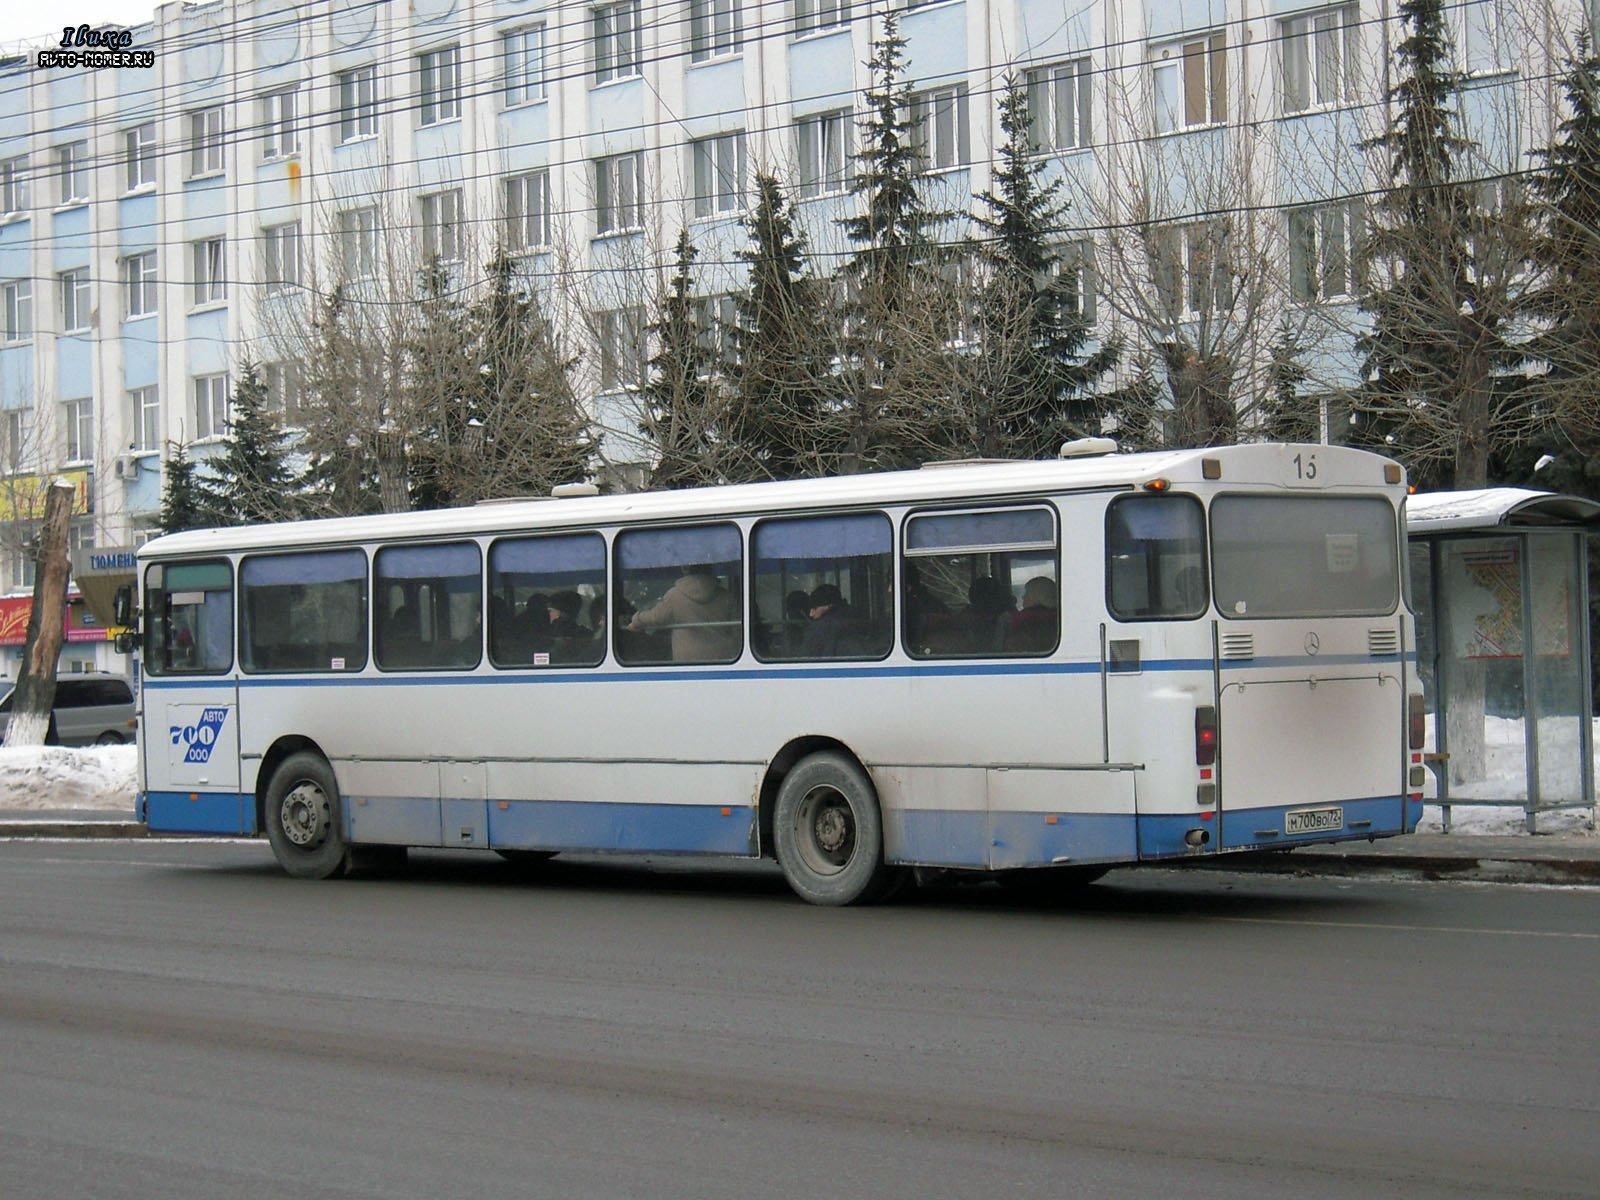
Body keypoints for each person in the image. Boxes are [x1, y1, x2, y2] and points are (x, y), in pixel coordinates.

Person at [628, 566, 737, 662]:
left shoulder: (674, 596)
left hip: (686, 662)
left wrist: (636, 620)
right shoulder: (726, 596)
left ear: (685, 569)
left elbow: (655, 617)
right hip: (723, 659)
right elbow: (738, 629)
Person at [1007, 575, 1058, 653]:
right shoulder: (1058, 618)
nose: (1023, 597)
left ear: (1038, 597)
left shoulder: (1026, 622)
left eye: (1027, 593)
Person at [800, 583, 852, 658]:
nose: (811, 614)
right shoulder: (856, 620)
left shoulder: (820, 628)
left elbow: (805, 657)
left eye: (814, 608)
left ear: (828, 606)